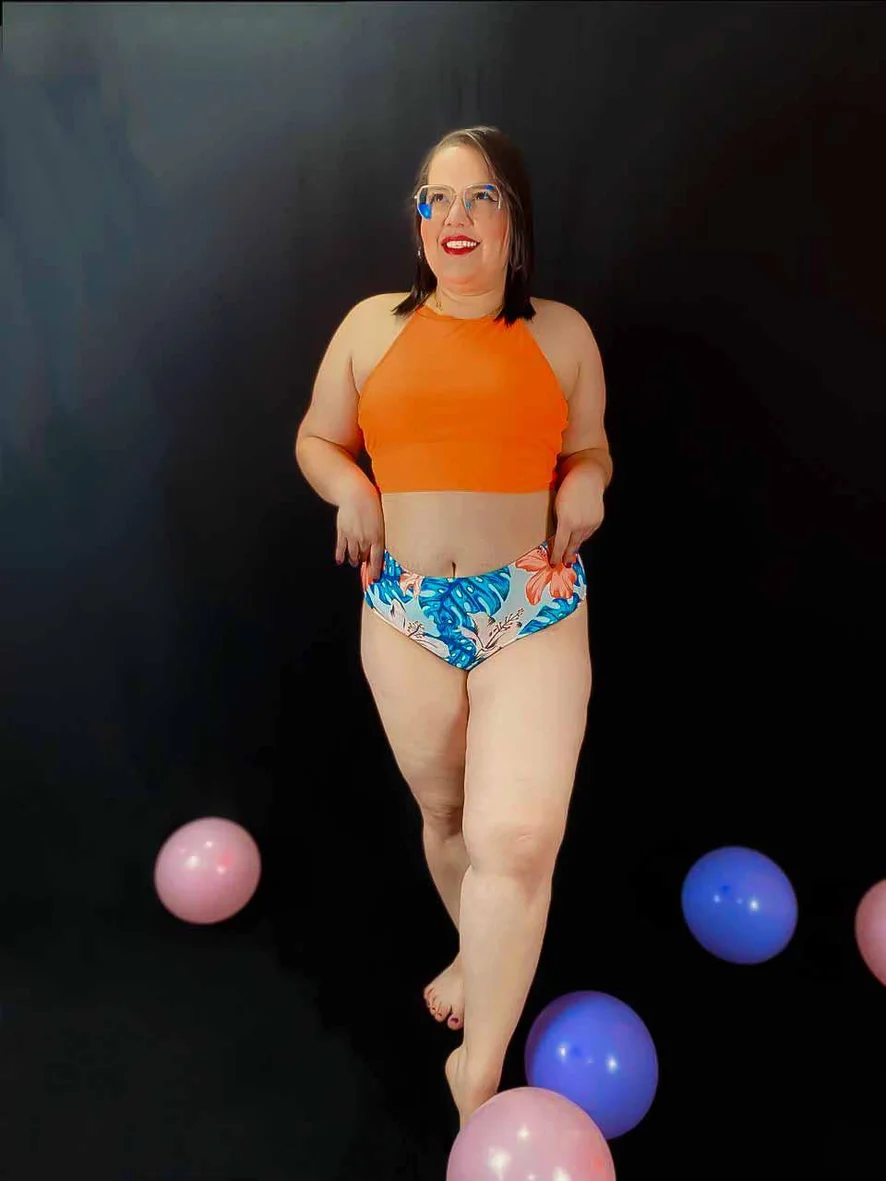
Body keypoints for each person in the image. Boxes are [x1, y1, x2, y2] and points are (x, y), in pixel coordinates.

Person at [295, 126, 611, 1127]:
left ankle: (476, 1077)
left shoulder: (562, 333)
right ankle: (479, 950)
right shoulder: (369, 327)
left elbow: (591, 448)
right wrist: (351, 487)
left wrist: (590, 480)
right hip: (404, 610)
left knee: (514, 835)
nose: (455, 216)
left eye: (480, 197)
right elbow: (318, 437)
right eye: (437, 198)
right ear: (419, 222)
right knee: (446, 819)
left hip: (530, 601)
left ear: (515, 221)